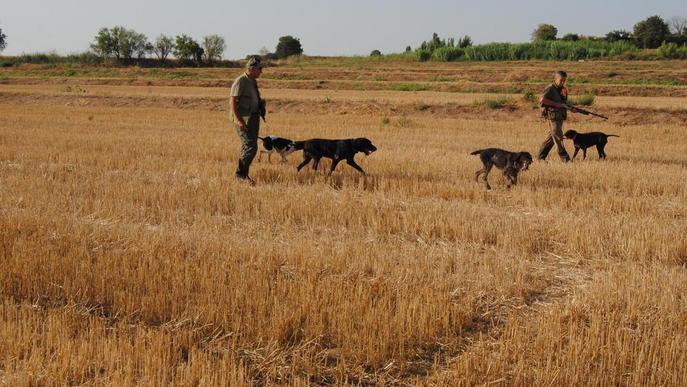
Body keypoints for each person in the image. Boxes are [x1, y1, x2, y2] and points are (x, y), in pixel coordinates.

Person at [230, 56, 265, 183]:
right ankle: (241, 175)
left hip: (253, 118)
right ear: (252, 68)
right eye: (259, 69)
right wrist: (239, 121)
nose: (261, 71)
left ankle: (242, 174)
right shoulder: (240, 81)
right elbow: (233, 102)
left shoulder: (252, 81)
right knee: (251, 147)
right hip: (243, 119)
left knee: (249, 147)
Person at [538, 70, 571, 162]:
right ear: (555, 79)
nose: (563, 82)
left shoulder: (563, 90)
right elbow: (542, 100)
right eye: (561, 80)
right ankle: (565, 159)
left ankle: (540, 157)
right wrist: (556, 104)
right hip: (553, 117)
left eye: (564, 80)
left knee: (551, 139)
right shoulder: (550, 88)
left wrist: (571, 108)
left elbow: (564, 103)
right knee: (558, 137)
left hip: (560, 117)